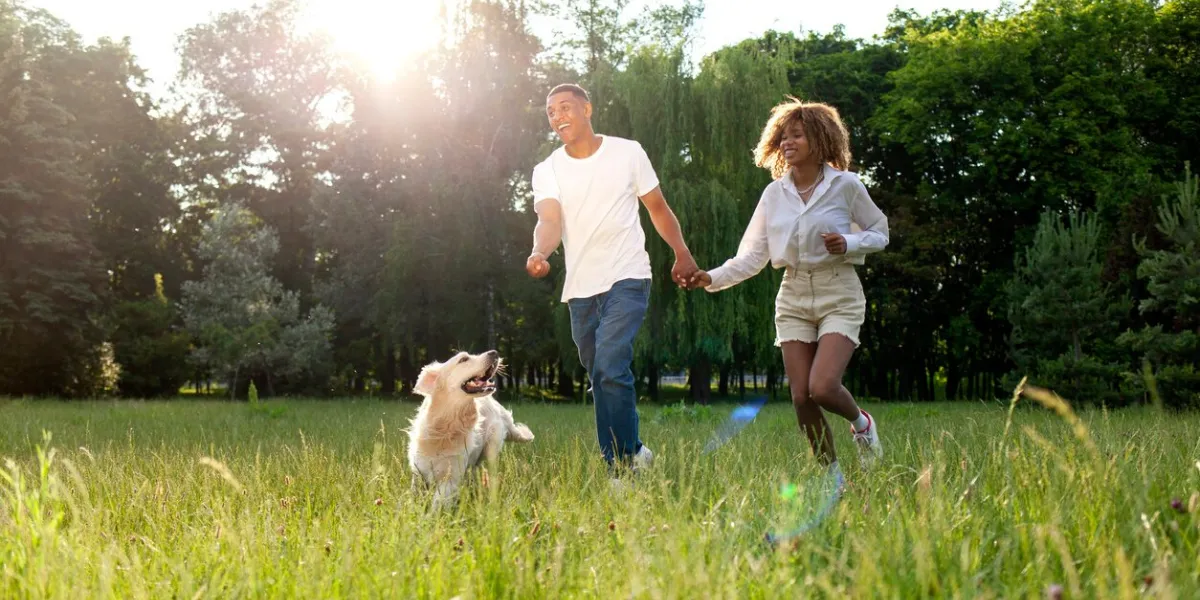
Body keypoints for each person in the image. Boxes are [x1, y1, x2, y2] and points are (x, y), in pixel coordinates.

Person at [688, 97, 887, 478]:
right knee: (800, 397)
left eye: (797, 135)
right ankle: (832, 477)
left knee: (823, 387)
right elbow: (752, 256)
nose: (787, 142)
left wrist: (849, 243)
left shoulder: (846, 185)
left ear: (820, 140)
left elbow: (880, 232)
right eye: (783, 136)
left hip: (838, 292)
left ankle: (862, 425)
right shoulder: (774, 194)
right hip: (793, 294)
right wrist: (711, 277)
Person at [526, 83, 699, 480]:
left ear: (587, 109)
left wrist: (682, 252)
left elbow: (657, 207)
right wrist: (539, 252)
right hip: (580, 288)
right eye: (551, 112)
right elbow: (549, 220)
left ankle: (619, 469)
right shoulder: (547, 170)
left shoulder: (627, 152)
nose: (557, 116)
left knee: (609, 366)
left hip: (628, 275)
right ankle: (634, 450)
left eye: (565, 107)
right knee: (600, 377)